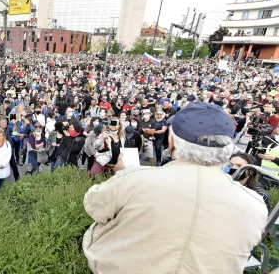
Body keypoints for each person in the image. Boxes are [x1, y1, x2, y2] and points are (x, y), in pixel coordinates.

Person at [83, 102, 268, 273]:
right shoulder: (255, 205)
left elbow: (94, 206)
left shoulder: (134, 179)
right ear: (229, 150)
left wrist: (120, 176)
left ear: (171, 142)